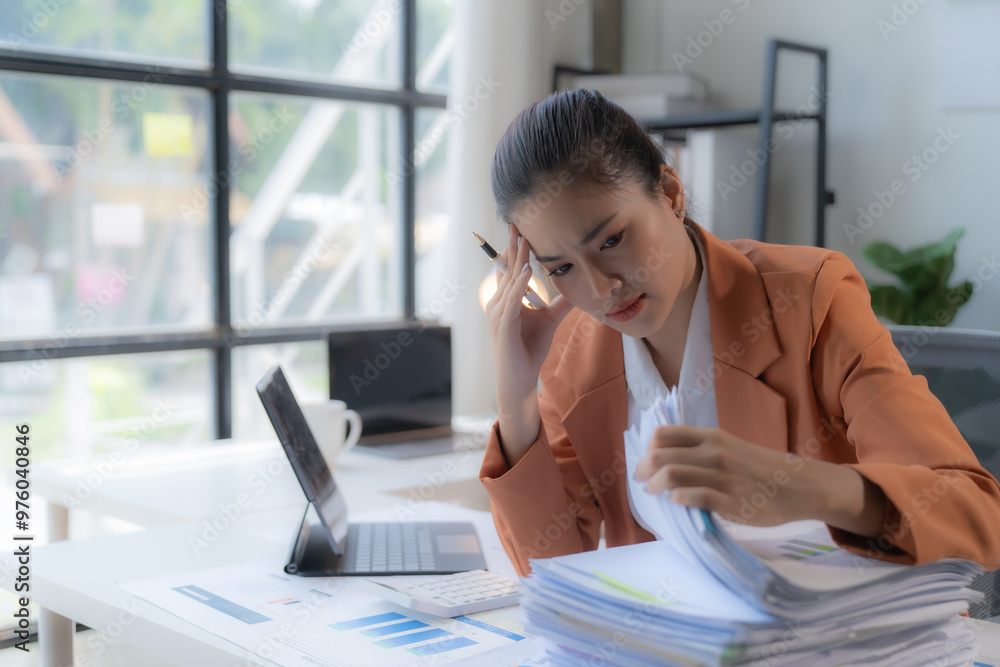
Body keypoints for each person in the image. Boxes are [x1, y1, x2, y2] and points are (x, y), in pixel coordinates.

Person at [478, 88, 1000, 577]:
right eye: (561, 269)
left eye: (613, 239)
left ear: (671, 192)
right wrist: (517, 400)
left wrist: (806, 488)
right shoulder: (577, 355)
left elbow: (974, 509)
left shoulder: (811, 301)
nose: (602, 288)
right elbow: (552, 567)